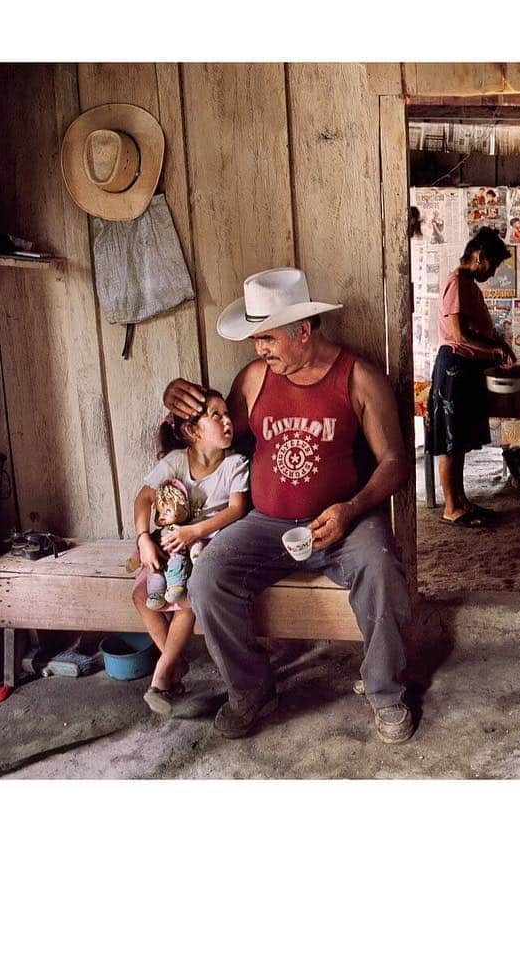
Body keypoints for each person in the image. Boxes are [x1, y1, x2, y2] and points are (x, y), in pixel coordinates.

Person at [163, 267, 414, 743]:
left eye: (268, 338)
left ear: (303, 330)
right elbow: (215, 436)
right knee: (209, 576)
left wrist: (350, 509)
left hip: (345, 522)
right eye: (256, 339)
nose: (260, 349)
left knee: (381, 570)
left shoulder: (358, 378)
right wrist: (178, 401)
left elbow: (396, 462)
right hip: (267, 524)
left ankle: (386, 694)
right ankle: (252, 692)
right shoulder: (255, 379)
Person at [131, 390, 250, 716]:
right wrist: (143, 539)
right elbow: (143, 499)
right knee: (142, 596)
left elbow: (237, 509)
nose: (228, 421)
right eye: (217, 415)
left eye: (228, 414)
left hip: (208, 546)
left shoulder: (234, 465)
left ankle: (161, 676)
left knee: (184, 599)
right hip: (172, 543)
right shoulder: (175, 462)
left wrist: (194, 531)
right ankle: (177, 663)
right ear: (192, 432)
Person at [427, 226, 516, 528]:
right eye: (493, 264)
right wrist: (495, 350)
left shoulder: (467, 284)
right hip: (454, 369)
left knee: (460, 440)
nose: (493, 273)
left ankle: (461, 502)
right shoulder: (457, 284)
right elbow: (460, 335)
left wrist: (498, 344)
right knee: (451, 442)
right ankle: (452, 508)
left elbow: (475, 332)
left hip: (465, 370)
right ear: (479, 256)